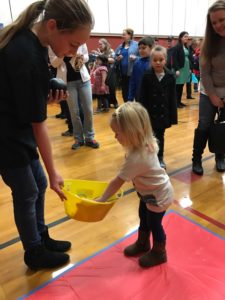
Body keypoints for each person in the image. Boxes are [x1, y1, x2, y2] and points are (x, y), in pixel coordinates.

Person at [0, 0, 94, 270]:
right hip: (6, 136)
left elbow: (28, 97)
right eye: (74, 44)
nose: (74, 51)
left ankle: (42, 237)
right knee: (28, 190)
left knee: (37, 184)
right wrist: (55, 173)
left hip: (17, 127)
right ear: (52, 26)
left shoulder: (38, 44)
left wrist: (45, 96)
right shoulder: (25, 53)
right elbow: (38, 124)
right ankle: (34, 252)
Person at [96, 102, 174, 268]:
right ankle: (143, 243)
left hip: (158, 196)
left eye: (117, 133)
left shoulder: (137, 157)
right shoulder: (144, 141)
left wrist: (102, 199)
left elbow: (117, 181)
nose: (115, 137)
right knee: (143, 217)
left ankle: (160, 252)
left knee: (154, 223)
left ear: (132, 133)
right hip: (148, 193)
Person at [192, 0, 225, 175]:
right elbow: (205, 74)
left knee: (223, 125)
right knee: (204, 125)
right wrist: (212, 96)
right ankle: (196, 158)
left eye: (222, 20)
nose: (218, 25)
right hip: (209, 91)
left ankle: (220, 156)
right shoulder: (208, 43)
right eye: (214, 22)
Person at [138, 46, 177, 169]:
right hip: (149, 114)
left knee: (160, 137)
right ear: (151, 61)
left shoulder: (170, 76)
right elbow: (141, 96)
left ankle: (159, 157)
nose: (158, 62)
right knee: (148, 137)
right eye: (155, 60)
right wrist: (141, 114)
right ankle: (147, 157)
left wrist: (172, 117)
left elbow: (172, 98)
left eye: (161, 60)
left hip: (162, 114)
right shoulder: (147, 75)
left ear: (165, 60)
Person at [64, 44, 100, 150]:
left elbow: (87, 57)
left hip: (84, 80)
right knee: (74, 112)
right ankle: (78, 139)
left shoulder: (79, 40)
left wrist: (80, 56)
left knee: (88, 110)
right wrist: (64, 54)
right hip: (68, 82)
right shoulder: (59, 42)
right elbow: (54, 62)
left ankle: (89, 137)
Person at [91, 38, 118, 108]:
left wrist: (100, 55)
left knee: (111, 88)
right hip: (102, 72)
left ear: (105, 44)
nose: (99, 45)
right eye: (98, 44)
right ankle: (107, 103)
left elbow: (112, 60)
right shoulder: (100, 52)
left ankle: (114, 102)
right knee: (104, 88)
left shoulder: (110, 51)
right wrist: (93, 70)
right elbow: (96, 62)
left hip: (110, 71)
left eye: (101, 44)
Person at [114, 28, 139, 102]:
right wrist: (117, 58)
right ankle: (127, 109)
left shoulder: (136, 45)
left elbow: (142, 57)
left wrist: (136, 58)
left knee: (135, 92)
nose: (122, 36)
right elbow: (114, 56)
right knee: (125, 93)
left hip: (133, 73)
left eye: (124, 34)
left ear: (130, 35)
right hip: (122, 74)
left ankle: (136, 109)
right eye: (122, 35)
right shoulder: (120, 46)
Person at [128, 36, 155, 101]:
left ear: (151, 48)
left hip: (153, 97)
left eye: (143, 48)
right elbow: (133, 82)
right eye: (139, 48)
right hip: (139, 96)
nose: (141, 50)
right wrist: (130, 98)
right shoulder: (137, 63)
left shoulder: (154, 63)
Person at [171, 31, 192, 108]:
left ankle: (179, 101)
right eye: (185, 36)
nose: (187, 38)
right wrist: (176, 69)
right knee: (177, 87)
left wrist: (190, 68)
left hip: (186, 69)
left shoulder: (186, 47)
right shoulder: (177, 47)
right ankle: (176, 103)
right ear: (180, 38)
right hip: (180, 69)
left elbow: (189, 58)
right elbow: (174, 59)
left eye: (187, 36)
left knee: (182, 86)